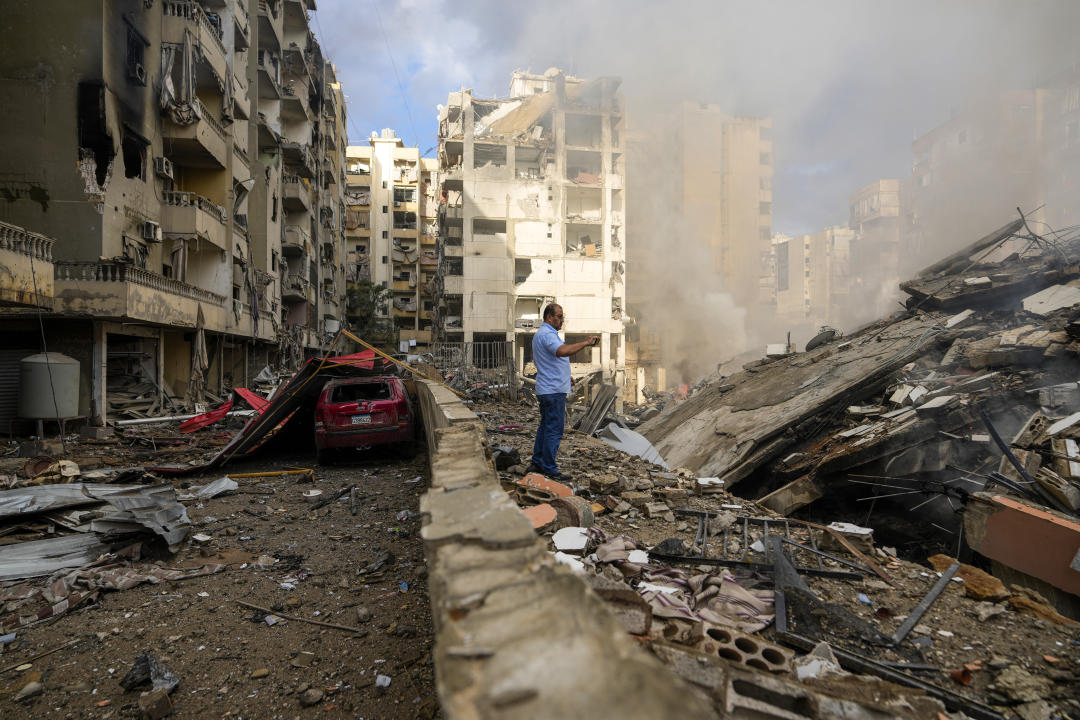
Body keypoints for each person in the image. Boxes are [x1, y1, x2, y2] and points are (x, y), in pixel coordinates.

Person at [528, 303, 598, 481]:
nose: (562, 319)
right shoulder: (547, 334)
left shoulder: (543, 334)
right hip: (553, 390)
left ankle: (537, 463)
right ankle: (549, 469)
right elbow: (561, 351)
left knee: (545, 427)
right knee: (554, 430)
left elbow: (551, 361)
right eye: (559, 316)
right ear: (549, 317)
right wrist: (585, 343)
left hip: (548, 387)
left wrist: (566, 376)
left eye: (562, 316)